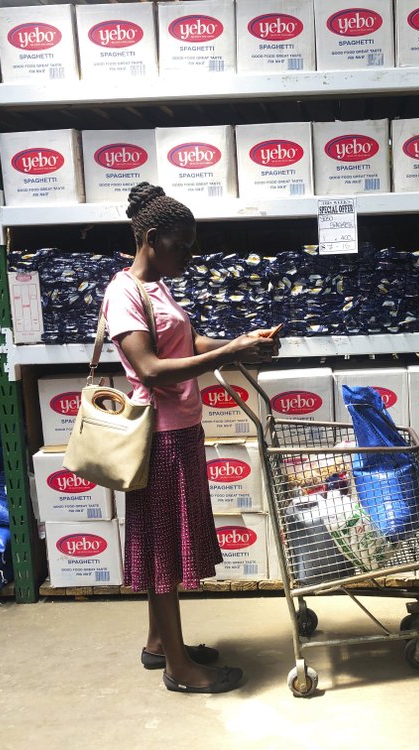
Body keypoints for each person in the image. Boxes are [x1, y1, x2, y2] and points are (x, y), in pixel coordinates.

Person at [103, 182, 280, 694]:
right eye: (183, 245)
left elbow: (186, 342)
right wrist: (227, 355)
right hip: (155, 439)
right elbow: (152, 368)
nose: (191, 255)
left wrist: (240, 345)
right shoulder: (124, 292)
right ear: (152, 238)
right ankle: (180, 671)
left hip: (181, 431)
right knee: (161, 552)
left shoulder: (159, 285)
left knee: (169, 545)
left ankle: (161, 646)